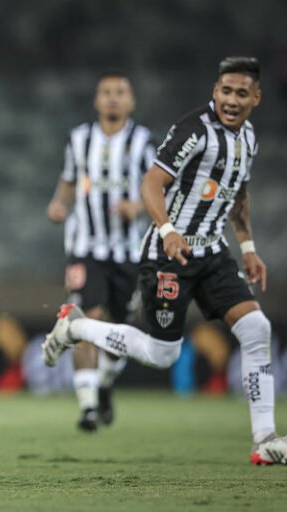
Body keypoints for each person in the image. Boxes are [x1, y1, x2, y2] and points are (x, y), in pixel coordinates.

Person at [43, 57, 287, 465]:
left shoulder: (248, 138)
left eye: (241, 93)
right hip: (167, 254)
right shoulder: (194, 130)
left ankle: (265, 439)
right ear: (215, 91)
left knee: (256, 327)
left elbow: (237, 194)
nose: (230, 99)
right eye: (225, 90)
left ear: (256, 98)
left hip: (211, 251)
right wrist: (168, 229)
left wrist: (247, 248)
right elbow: (151, 183)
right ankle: (76, 326)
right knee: (163, 354)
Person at [47, 71, 155, 432]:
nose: (112, 98)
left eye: (120, 92)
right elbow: (68, 180)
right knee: (85, 317)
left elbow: (157, 187)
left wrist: (137, 207)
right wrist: (59, 205)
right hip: (85, 248)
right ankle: (88, 406)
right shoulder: (79, 139)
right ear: (96, 100)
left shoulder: (143, 142)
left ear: (131, 101)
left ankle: (105, 383)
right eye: (106, 92)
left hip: (128, 251)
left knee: (120, 326)